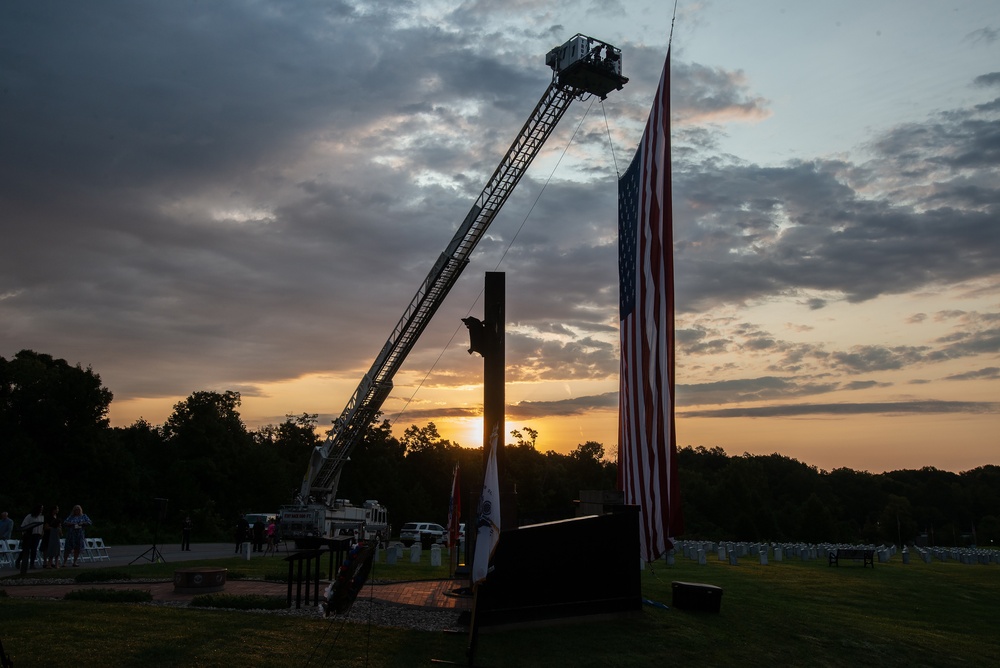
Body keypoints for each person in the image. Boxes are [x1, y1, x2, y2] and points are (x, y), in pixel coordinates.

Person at [17, 505, 44, 571]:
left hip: (37, 535)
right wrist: (24, 533)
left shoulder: (41, 517)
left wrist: (41, 532)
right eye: (41, 508)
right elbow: (24, 524)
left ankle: (32, 563)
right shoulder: (30, 516)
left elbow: (41, 525)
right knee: (26, 549)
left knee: (34, 549)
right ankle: (19, 560)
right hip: (30, 534)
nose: (42, 510)